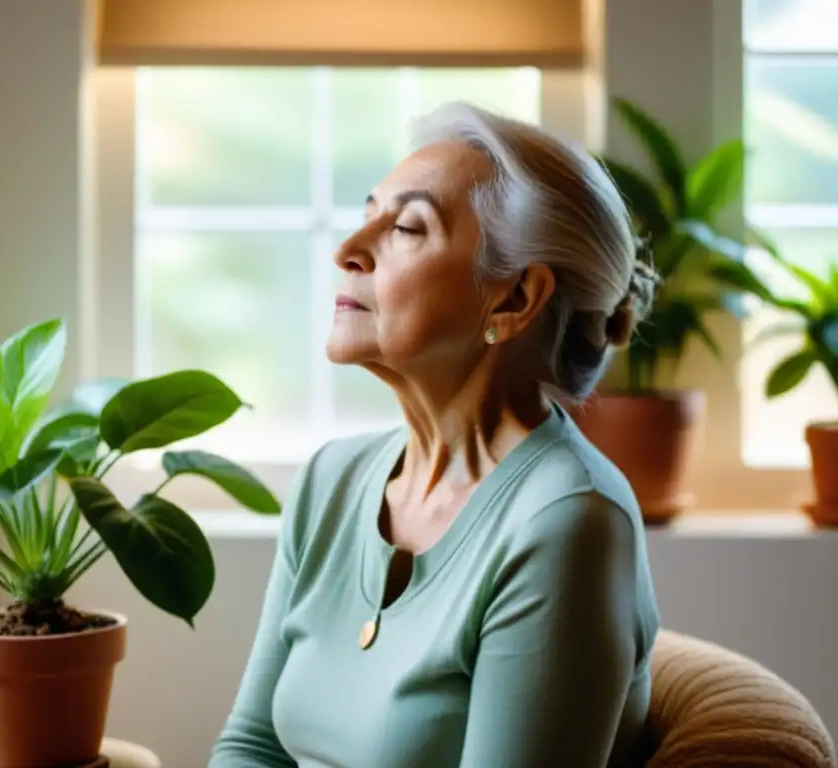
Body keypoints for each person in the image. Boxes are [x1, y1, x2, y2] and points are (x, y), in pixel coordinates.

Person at [210, 102, 661, 768]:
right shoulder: (331, 480)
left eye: (408, 228)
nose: (347, 250)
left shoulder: (567, 522)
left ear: (512, 301)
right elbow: (252, 747)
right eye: (368, 214)